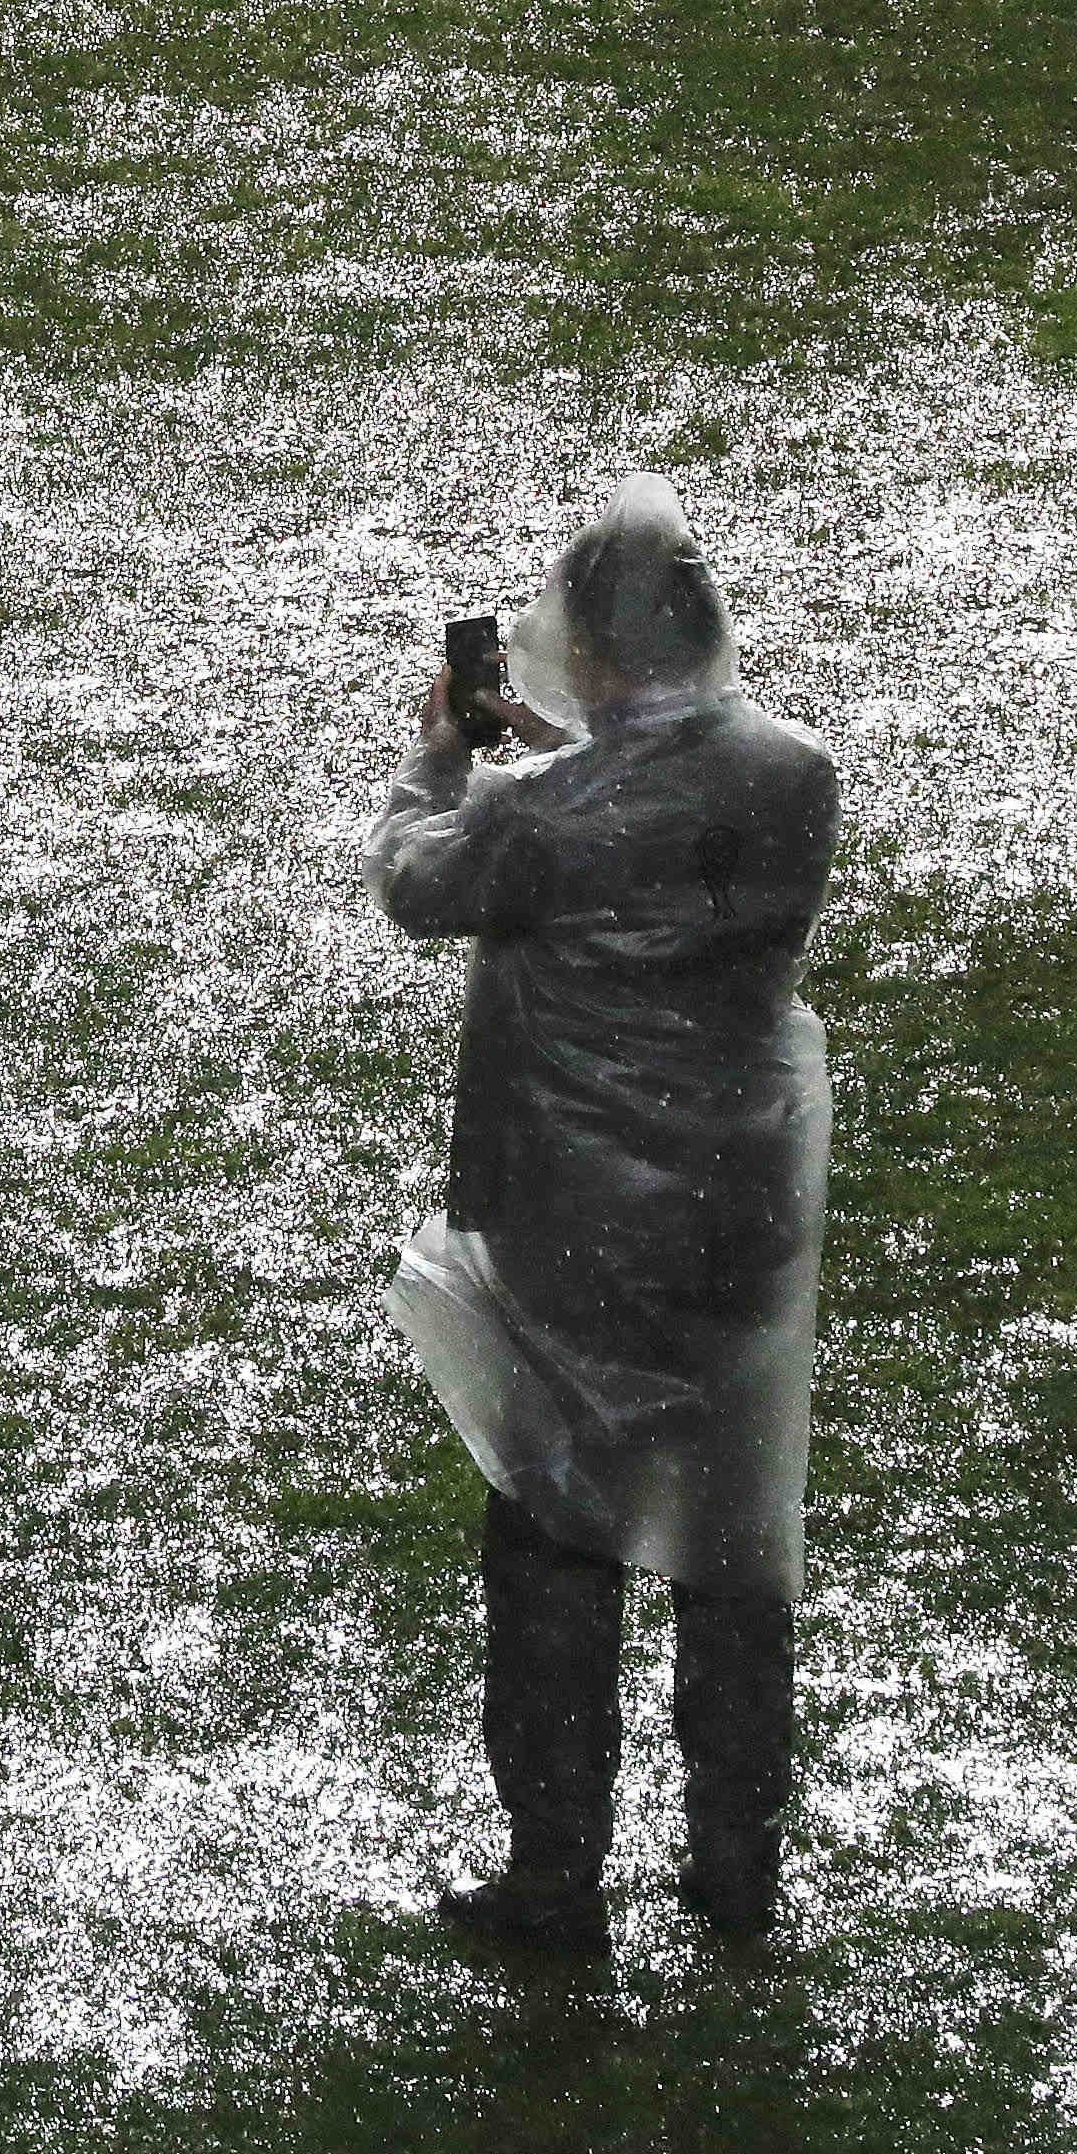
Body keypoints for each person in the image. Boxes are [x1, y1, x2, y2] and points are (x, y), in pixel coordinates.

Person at [377, 473, 840, 1958]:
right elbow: (671, 803)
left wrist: (444, 764)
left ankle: (558, 1871)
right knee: (735, 1544)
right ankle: (736, 1864)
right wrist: (561, 756)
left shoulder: (538, 828)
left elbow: (416, 883)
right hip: (739, 1209)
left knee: (554, 1545)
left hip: (573, 1224)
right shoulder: (793, 776)